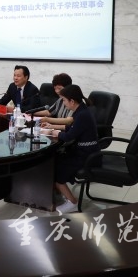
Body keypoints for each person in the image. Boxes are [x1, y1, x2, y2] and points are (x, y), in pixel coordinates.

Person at [51, 84, 99, 214]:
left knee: (56, 171)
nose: (63, 103)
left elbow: (69, 136)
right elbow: (72, 128)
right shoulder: (81, 110)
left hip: (87, 156)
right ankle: (61, 195)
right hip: (86, 152)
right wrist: (52, 127)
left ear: (72, 101)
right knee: (55, 160)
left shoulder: (82, 114)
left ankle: (72, 202)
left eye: (64, 100)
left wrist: (56, 133)